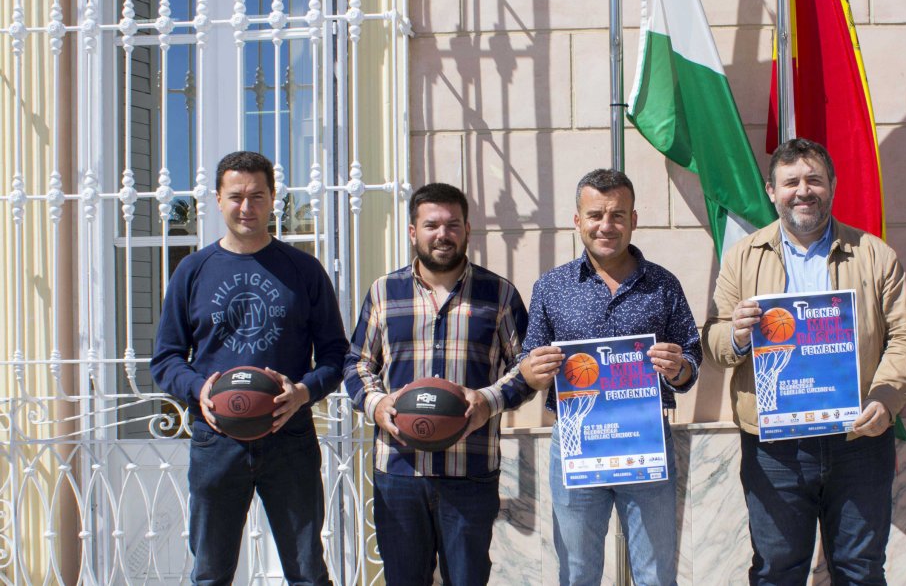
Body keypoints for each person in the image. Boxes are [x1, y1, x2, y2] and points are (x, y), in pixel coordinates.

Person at [701, 138, 906, 585]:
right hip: (774, 448)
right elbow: (713, 340)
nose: (803, 191)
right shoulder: (742, 257)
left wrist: (885, 400)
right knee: (776, 571)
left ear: (832, 186)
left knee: (861, 570)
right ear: (772, 191)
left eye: (814, 180)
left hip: (858, 439)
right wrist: (738, 335)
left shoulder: (874, 254)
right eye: (791, 182)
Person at [151, 150, 347, 586]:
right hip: (217, 439)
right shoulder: (192, 271)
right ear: (218, 200)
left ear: (273, 199)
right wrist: (198, 389)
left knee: (308, 572)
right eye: (236, 196)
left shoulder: (303, 270)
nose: (246, 207)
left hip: (288, 437)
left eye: (257, 196)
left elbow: (336, 355)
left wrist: (303, 392)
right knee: (210, 574)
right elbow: (165, 359)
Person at [519, 169, 701, 586]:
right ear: (577, 220)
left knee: (656, 575)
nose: (606, 225)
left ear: (633, 220)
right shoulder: (551, 287)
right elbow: (528, 359)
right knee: (577, 573)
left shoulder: (664, 285)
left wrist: (679, 367)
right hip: (576, 443)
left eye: (617, 215)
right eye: (596, 214)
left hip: (646, 444)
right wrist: (533, 369)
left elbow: (691, 354)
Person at [343, 182, 530, 586]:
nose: (442, 234)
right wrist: (377, 404)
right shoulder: (384, 292)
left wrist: (488, 400)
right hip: (399, 470)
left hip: (470, 471)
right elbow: (357, 364)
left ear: (467, 230)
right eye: (431, 225)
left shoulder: (498, 294)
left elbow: (526, 368)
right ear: (413, 232)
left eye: (452, 225)